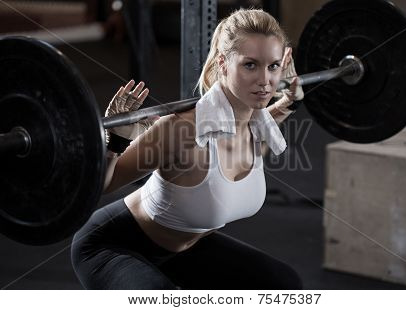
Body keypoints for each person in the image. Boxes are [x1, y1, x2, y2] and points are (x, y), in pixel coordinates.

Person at [71, 8, 304, 290]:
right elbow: (102, 185)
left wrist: (288, 101)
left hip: (185, 251)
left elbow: (268, 118)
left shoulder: (258, 125)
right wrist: (116, 142)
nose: (265, 81)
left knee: (284, 285)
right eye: (250, 65)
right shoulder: (181, 131)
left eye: (273, 66)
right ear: (223, 63)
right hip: (113, 245)